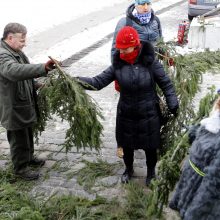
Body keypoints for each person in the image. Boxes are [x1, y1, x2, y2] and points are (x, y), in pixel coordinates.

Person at [77, 26, 178, 186]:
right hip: (126, 113)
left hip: (149, 112)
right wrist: (77, 80)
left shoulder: (150, 62)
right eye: (120, 49)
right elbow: (98, 82)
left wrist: (173, 102)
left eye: (125, 49)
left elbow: (166, 84)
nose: (122, 52)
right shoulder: (118, 65)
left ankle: (151, 173)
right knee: (127, 146)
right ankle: (128, 169)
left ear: (135, 45)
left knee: (150, 147)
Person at [0, 23, 56, 180]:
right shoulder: (2, 55)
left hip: (22, 101)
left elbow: (25, 74)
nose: (25, 44)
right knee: (18, 137)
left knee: (27, 132)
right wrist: (43, 68)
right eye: (22, 40)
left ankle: (29, 157)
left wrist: (37, 84)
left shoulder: (16, 52)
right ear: (10, 37)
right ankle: (20, 169)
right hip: (12, 105)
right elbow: (14, 71)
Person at [169, 97, 220, 219]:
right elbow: (207, 137)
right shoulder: (214, 122)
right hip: (189, 185)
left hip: (198, 200)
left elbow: (210, 190)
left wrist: (193, 215)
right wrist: (193, 131)